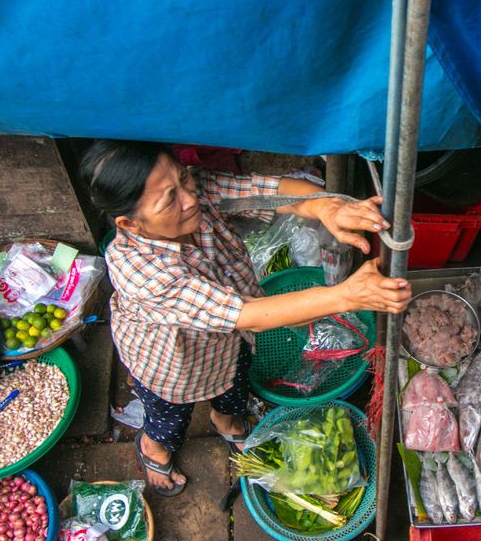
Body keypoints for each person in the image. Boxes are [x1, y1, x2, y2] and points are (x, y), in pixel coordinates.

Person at [80, 140, 411, 496]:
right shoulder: (139, 270)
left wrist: (325, 206)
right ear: (131, 223)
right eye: (169, 200)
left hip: (226, 341)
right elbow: (248, 316)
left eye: (182, 180)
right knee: (169, 418)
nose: (188, 198)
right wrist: (345, 295)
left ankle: (226, 421)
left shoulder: (193, 192)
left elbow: (264, 190)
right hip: (171, 363)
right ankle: (154, 448)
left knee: (234, 388)